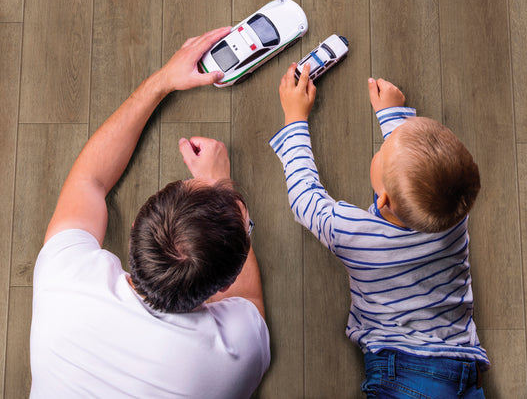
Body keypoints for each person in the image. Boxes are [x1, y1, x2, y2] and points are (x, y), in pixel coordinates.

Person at [30, 27, 270, 398]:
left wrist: (163, 81)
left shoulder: (64, 278)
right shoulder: (235, 355)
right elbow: (249, 303)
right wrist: (221, 186)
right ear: (224, 284)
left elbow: (89, 180)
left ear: (134, 230)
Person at [271, 64, 489, 398]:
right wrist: (392, 114)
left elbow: (305, 199)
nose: (385, 144)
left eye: (383, 151)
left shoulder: (352, 235)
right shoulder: (453, 214)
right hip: (461, 358)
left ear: (383, 198)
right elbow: (420, 173)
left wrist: (295, 118)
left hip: (403, 371)